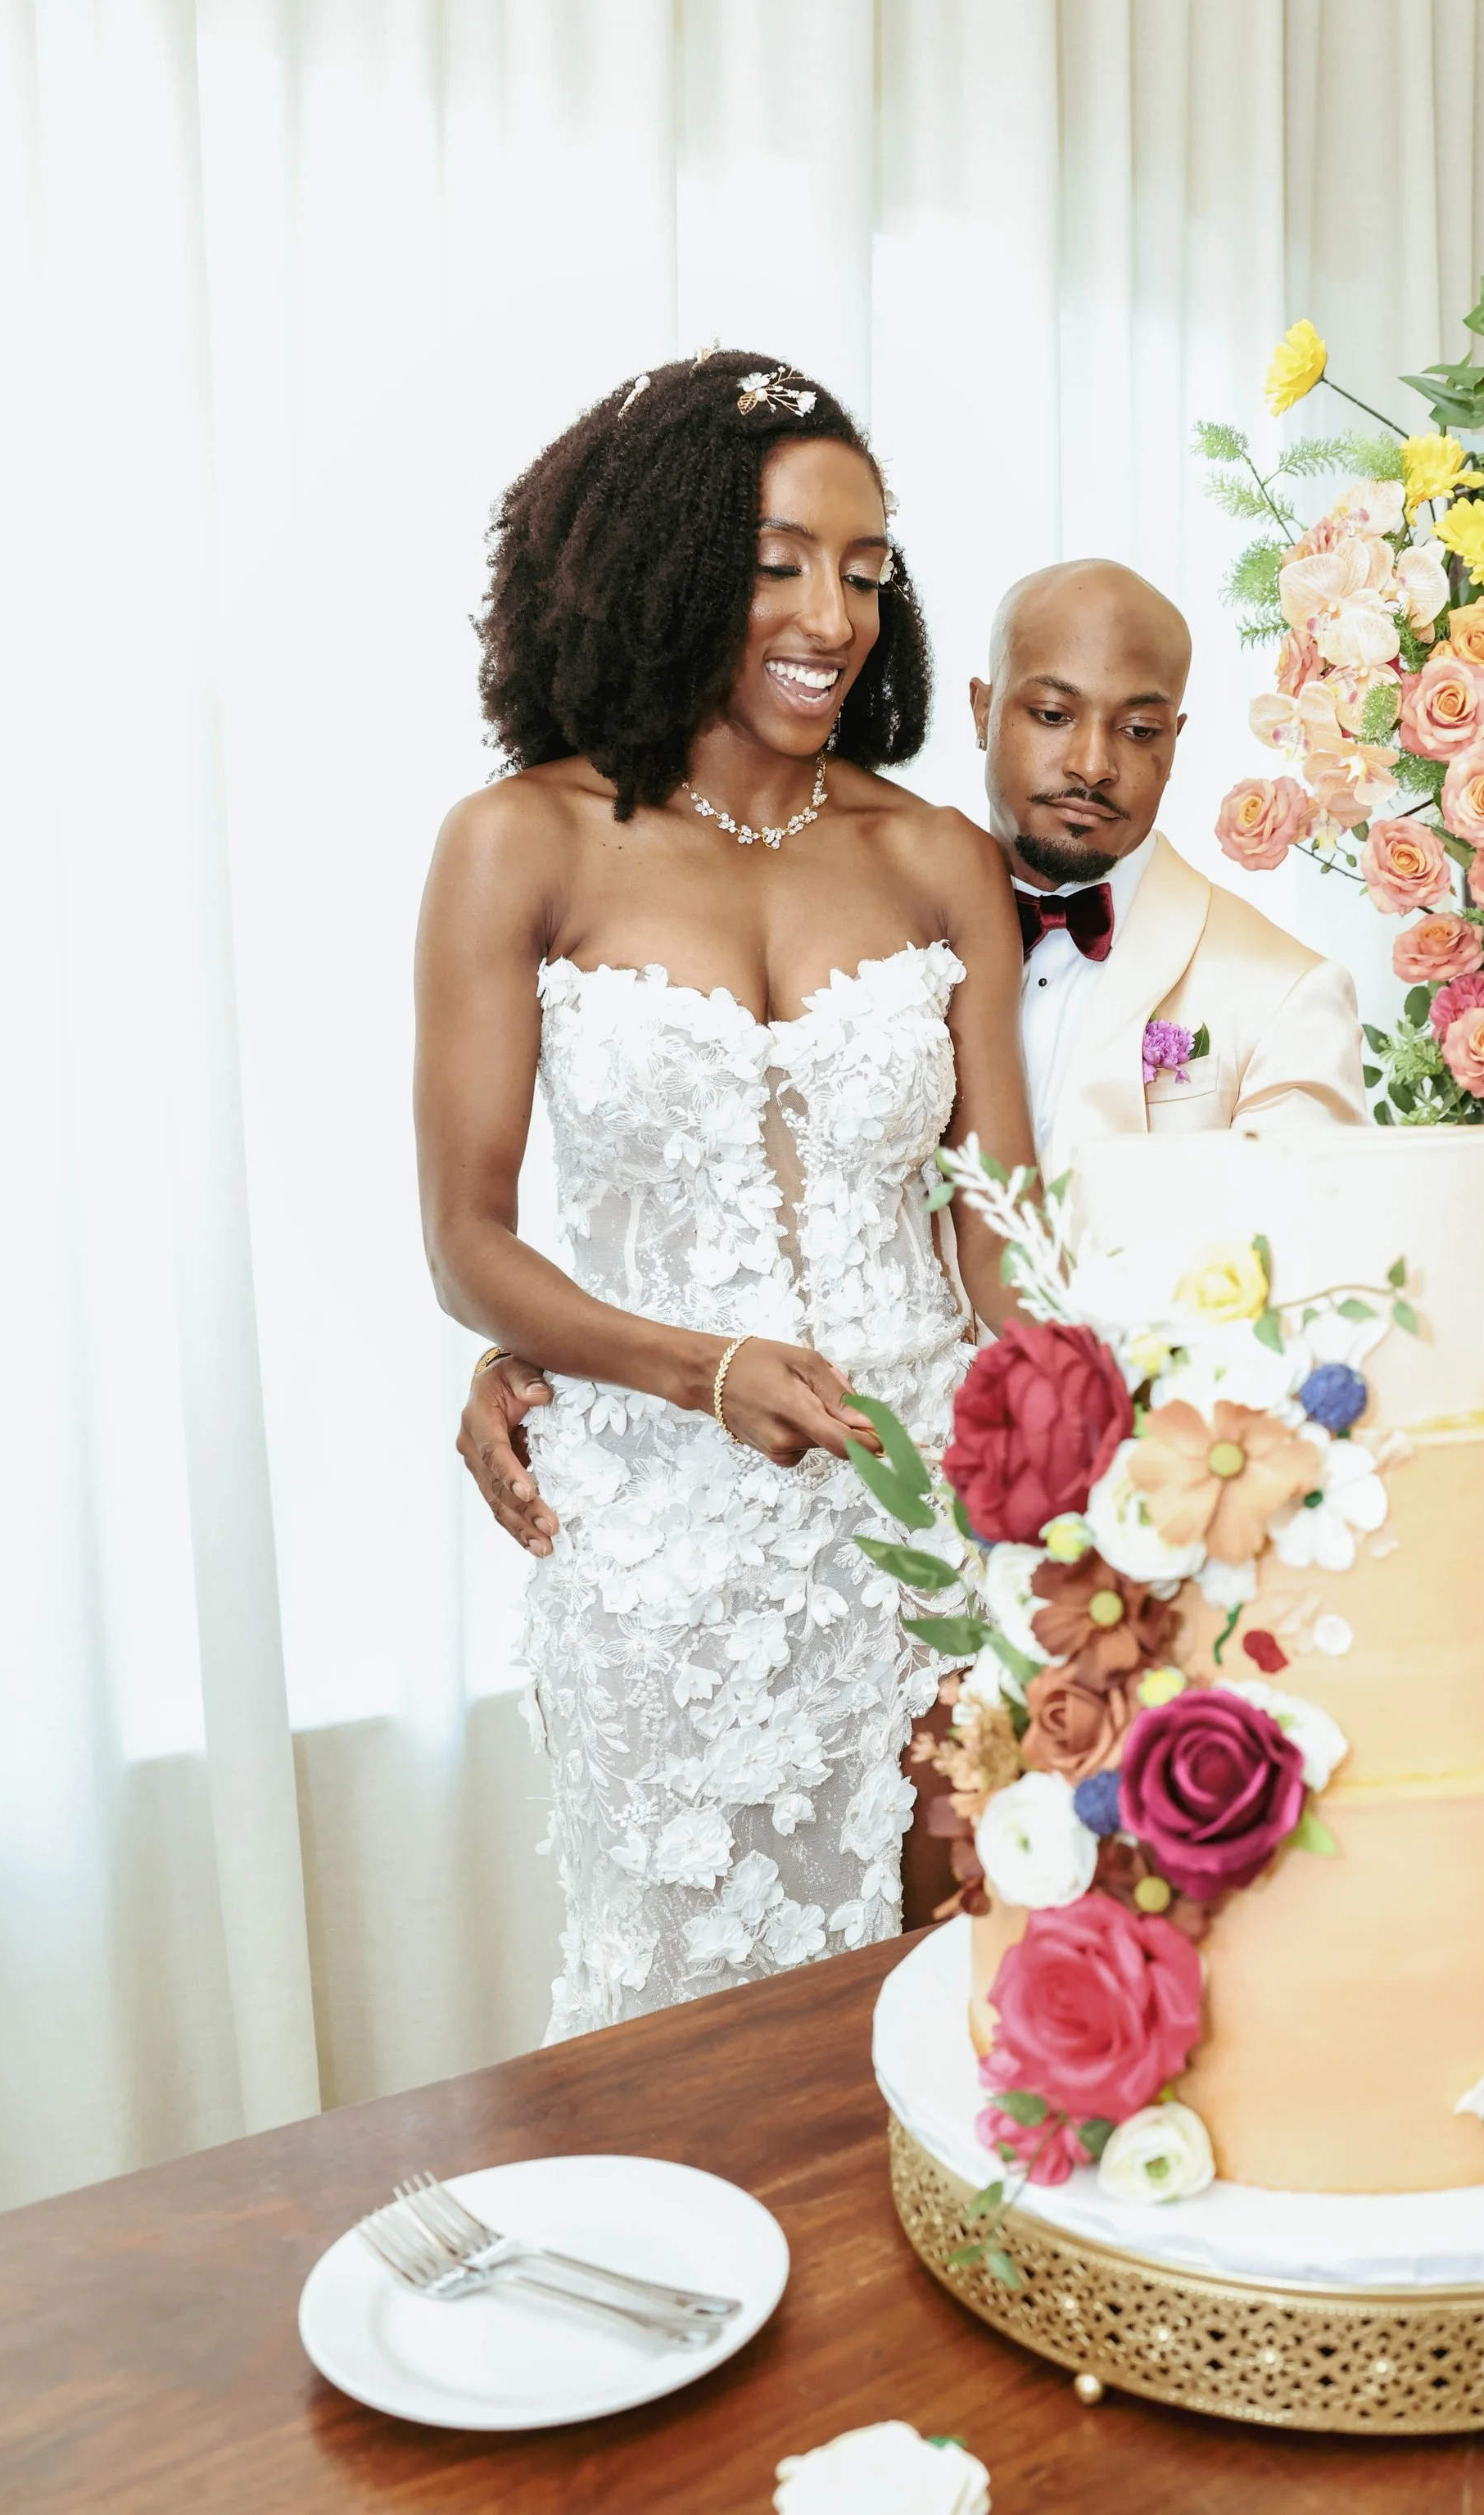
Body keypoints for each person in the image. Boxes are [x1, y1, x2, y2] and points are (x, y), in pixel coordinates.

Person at [415, 349, 1034, 2038]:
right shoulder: (519, 842)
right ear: (671, 564)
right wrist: (695, 1365)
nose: (830, 612)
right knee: (682, 2018)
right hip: (659, 1543)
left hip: (926, 1521)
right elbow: (467, 1240)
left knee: (948, 1990)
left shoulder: (935, 861)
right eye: (777, 562)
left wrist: (1053, 1528)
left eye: (863, 563)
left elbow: (1003, 1236)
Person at [977, 558, 1365, 1176]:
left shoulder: (1288, 995)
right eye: (1054, 715)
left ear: (1173, 743)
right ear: (983, 712)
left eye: (1137, 730)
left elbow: (1305, 1247)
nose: (1093, 764)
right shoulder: (885, 941)